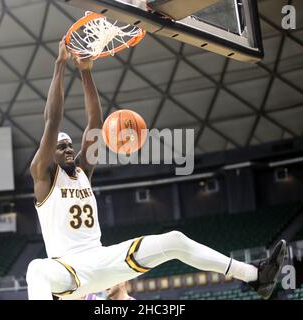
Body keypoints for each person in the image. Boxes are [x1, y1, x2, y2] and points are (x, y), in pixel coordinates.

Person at [26, 40, 287, 300]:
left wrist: (85, 71)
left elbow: (95, 122)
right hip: (65, 270)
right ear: (50, 154)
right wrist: (60, 64)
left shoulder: (83, 171)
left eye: (70, 145)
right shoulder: (43, 176)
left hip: (101, 260)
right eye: (61, 147)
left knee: (174, 240)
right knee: (36, 269)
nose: (69, 149)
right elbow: (53, 121)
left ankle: (256, 276)